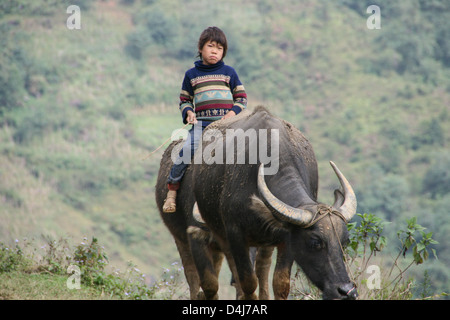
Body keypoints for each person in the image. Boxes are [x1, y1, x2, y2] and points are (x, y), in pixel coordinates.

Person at [163, 26, 247, 213]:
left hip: (228, 125)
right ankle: (172, 192)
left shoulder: (229, 72)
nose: (215, 51)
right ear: (201, 48)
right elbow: (184, 100)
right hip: (202, 126)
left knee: (248, 153)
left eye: (220, 48)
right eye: (211, 46)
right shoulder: (191, 75)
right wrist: (188, 113)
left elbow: (241, 99)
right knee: (186, 150)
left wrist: (232, 113)